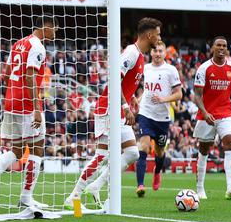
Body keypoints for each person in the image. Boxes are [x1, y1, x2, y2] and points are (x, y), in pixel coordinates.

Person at [65, 17, 162, 209]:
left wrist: (131, 97)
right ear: (149, 35)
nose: (159, 39)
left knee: (133, 153)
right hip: (109, 109)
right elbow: (114, 79)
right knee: (102, 156)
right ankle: (73, 197)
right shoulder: (132, 53)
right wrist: (126, 106)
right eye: (158, 35)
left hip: (117, 109)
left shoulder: (140, 56)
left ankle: (96, 186)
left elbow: (125, 84)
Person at [0, 16, 58, 209]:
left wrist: (14, 91)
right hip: (27, 105)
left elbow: (5, 74)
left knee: (17, 150)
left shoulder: (19, 43)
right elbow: (30, 76)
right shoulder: (37, 46)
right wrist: (37, 108)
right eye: (55, 29)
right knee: (38, 148)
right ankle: (26, 197)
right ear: (46, 28)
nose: (56, 33)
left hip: (10, 102)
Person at [193, 37, 231, 200]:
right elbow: (197, 95)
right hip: (206, 114)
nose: (222, 48)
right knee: (204, 149)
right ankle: (200, 188)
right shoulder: (204, 68)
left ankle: (230, 188)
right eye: (219, 45)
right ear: (212, 48)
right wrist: (205, 112)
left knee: (229, 142)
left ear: (227, 49)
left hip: (225, 113)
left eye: (224, 46)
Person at [135, 40, 182, 195]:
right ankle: (140, 185)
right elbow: (147, 90)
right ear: (151, 52)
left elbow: (179, 94)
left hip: (162, 118)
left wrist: (164, 100)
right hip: (145, 113)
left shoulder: (171, 70)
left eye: (160, 51)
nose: (157, 54)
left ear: (165, 53)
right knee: (143, 146)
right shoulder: (146, 68)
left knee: (159, 151)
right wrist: (139, 99)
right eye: (155, 51)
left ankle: (157, 172)